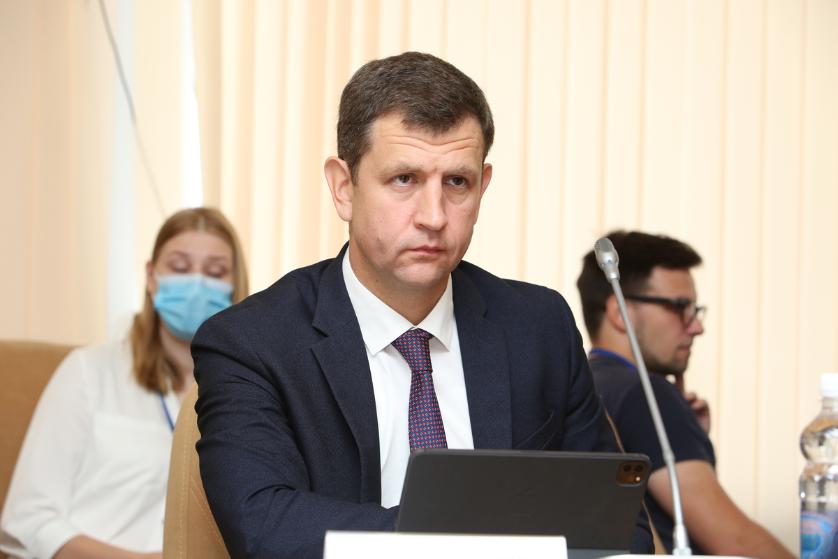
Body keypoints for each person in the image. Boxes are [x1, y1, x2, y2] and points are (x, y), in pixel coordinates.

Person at [192, 52, 653, 559]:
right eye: (404, 179)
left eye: (457, 182)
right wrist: (463, 539)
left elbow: (618, 528)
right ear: (344, 188)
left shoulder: (537, 327)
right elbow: (264, 527)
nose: (433, 216)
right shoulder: (253, 343)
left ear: (483, 187)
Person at [0, 208, 248, 559]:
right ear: (151, 277)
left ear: (236, 283)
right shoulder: (88, 372)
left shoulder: (250, 395)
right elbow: (28, 519)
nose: (196, 284)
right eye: (179, 267)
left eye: (215, 272)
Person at [577, 230, 794, 558]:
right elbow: (735, 541)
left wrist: (689, 436)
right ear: (620, 312)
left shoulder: (586, 386)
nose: (697, 326)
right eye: (680, 307)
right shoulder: (645, 393)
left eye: (696, 309)